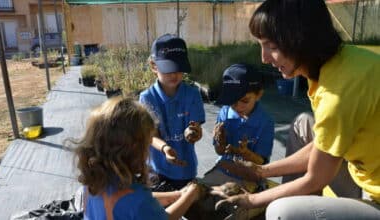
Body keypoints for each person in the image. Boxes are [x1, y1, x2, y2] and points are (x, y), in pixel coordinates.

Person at [212, 0, 380, 219]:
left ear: (301, 39)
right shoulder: (342, 62)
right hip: (365, 170)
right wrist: (261, 171)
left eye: (272, 47)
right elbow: (325, 146)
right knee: (304, 124)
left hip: (375, 195)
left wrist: (251, 200)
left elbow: (316, 178)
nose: (264, 58)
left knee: (281, 211)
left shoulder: (337, 96)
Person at [74, 96, 202, 220]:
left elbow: (134, 201)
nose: (148, 152)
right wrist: (191, 195)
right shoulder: (137, 201)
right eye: (147, 145)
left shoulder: (93, 184)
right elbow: (163, 216)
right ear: (133, 150)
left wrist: (176, 195)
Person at [139, 34, 206, 190]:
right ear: (153, 66)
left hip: (186, 168)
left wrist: (194, 133)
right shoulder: (146, 98)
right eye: (168, 69)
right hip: (157, 170)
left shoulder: (193, 94)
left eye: (179, 68)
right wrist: (165, 148)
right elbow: (150, 135)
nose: (174, 74)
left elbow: (197, 128)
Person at [202, 63, 274, 186]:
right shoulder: (225, 112)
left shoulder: (265, 122)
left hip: (250, 174)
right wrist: (220, 142)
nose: (237, 106)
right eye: (231, 100)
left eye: (244, 101)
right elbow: (220, 152)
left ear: (259, 95)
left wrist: (245, 152)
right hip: (225, 169)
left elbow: (261, 161)